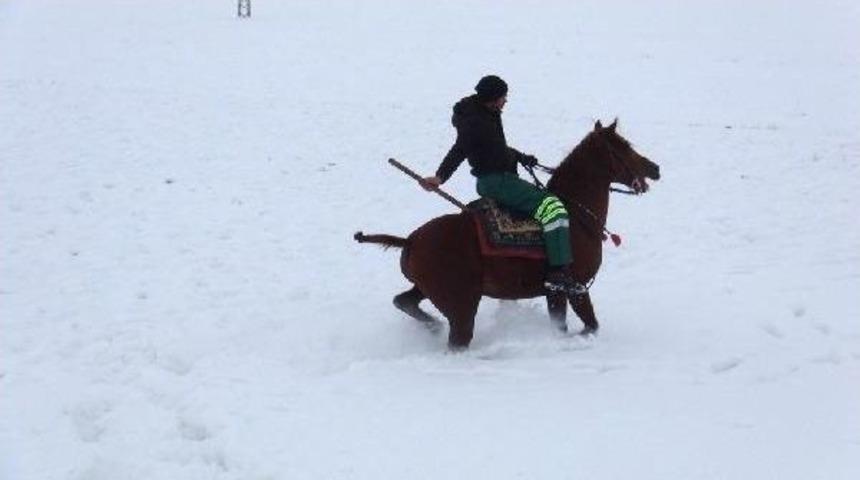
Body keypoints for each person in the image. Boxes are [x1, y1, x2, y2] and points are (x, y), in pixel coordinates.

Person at [422, 75, 585, 296]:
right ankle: (558, 273)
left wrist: (520, 157)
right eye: (503, 97)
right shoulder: (475, 122)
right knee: (553, 206)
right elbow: (460, 149)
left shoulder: (487, 113)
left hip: (501, 177)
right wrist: (440, 177)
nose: (505, 101)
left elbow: (496, 148)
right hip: (497, 182)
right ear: (493, 99)